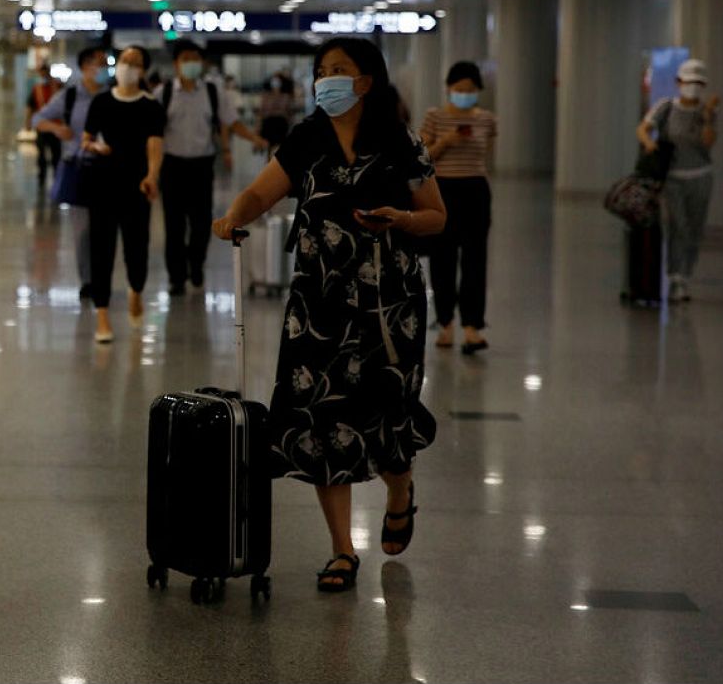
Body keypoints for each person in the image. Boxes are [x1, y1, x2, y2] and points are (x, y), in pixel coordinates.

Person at [212, 37, 444, 593]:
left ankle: (399, 488)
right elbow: (259, 193)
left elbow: (436, 216)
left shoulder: (399, 141)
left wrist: (403, 221)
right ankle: (342, 550)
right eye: (321, 71)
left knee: (387, 412)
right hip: (319, 305)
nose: (326, 80)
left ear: (367, 81)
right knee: (321, 417)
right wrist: (232, 216)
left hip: (390, 305)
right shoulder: (306, 139)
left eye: (339, 70)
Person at [158, 40, 266, 295]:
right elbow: (152, 133)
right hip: (172, 166)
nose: (192, 64)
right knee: (173, 225)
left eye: (196, 58)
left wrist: (254, 138)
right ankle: (176, 277)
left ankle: (196, 266)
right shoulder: (162, 94)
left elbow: (232, 122)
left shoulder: (213, 91)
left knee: (200, 223)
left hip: (201, 166)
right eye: (186, 58)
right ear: (176, 63)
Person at [82, 45, 165, 342]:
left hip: (136, 186)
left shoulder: (150, 106)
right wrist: (95, 147)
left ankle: (136, 289)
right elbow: (86, 139)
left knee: (136, 247)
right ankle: (102, 315)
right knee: (101, 249)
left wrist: (151, 175)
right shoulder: (101, 102)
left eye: (136, 62)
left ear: (143, 70)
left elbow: (154, 145)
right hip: (102, 184)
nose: (128, 66)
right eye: (125, 61)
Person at [420, 61, 497, 353]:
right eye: (459, 89)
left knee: (476, 257)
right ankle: (445, 323)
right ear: (449, 88)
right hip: (443, 190)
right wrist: (447, 141)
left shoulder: (487, 119)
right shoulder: (435, 117)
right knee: (443, 256)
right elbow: (423, 155)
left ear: (478, 90)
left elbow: (484, 155)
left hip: (476, 189)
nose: (464, 94)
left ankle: (472, 325)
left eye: (470, 90)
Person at [637, 58, 719, 302]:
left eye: (698, 83)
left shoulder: (707, 112)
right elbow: (643, 128)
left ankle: (686, 275)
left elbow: (708, 143)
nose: (693, 87)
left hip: (701, 177)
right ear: (679, 82)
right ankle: (675, 277)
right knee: (678, 226)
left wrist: (707, 116)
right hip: (673, 178)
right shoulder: (666, 107)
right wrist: (650, 145)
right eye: (689, 82)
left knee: (694, 228)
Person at [33, 46, 110, 299]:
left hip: (108, 168)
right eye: (99, 63)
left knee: (105, 229)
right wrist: (57, 130)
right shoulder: (69, 97)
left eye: (105, 63)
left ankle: (102, 277)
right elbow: (38, 119)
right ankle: (87, 280)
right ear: (85, 66)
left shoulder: (113, 96)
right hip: (79, 168)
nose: (103, 69)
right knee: (82, 231)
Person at [28, 66, 63, 188]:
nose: (43, 77)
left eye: (45, 74)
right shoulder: (36, 89)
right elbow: (31, 107)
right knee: (41, 153)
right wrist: (28, 123)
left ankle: (57, 177)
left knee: (56, 154)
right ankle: (41, 178)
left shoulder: (58, 87)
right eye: (41, 74)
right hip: (41, 127)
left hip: (56, 126)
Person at [258, 70, 300, 151]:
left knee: (279, 147)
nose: (275, 82)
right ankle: (270, 158)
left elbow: (290, 113)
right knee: (269, 146)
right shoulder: (266, 96)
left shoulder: (286, 96)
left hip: (281, 124)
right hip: (268, 123)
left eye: (277, 80)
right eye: (274, 80)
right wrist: (258, 128)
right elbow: (261, 112)